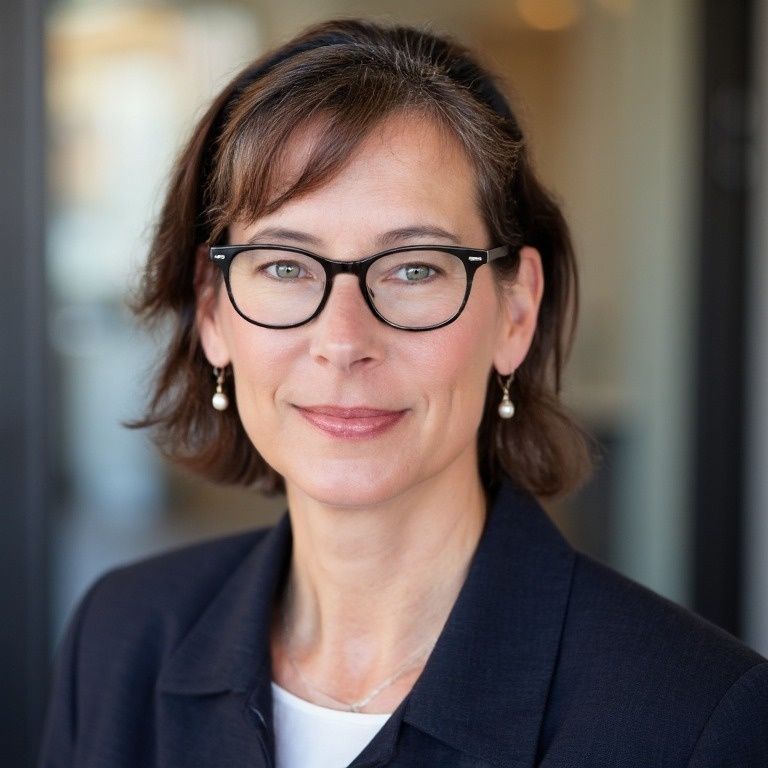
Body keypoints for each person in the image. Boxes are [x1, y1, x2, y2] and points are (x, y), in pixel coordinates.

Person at [38, 18, 768, 768]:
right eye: (285, 267)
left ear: (515, 314)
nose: (344, 340)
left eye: (415, 268)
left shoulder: (699, 719)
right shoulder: (120, 637)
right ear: (215, 311)